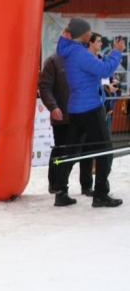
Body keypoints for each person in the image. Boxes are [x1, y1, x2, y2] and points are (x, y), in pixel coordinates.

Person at [54, 17, 124, 207]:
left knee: (71, 152)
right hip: (90, 108)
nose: (91, 33)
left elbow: (97, 69)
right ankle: (101, 194)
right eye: (89, 31)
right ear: (82, 33)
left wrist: (108, 55)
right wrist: (117, 52)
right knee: (105, 151)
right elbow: (105, 70)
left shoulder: (70, 51)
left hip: (76, 108)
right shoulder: (80, 53)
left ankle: (61, 191)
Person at [39, 27, 94, 198]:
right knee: (61, 151)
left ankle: (87, 185)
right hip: (63, 115)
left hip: (84, 113)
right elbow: (45, 87)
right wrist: (53, 107)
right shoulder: (53, 61)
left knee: (86, 150)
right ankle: (55, 183)